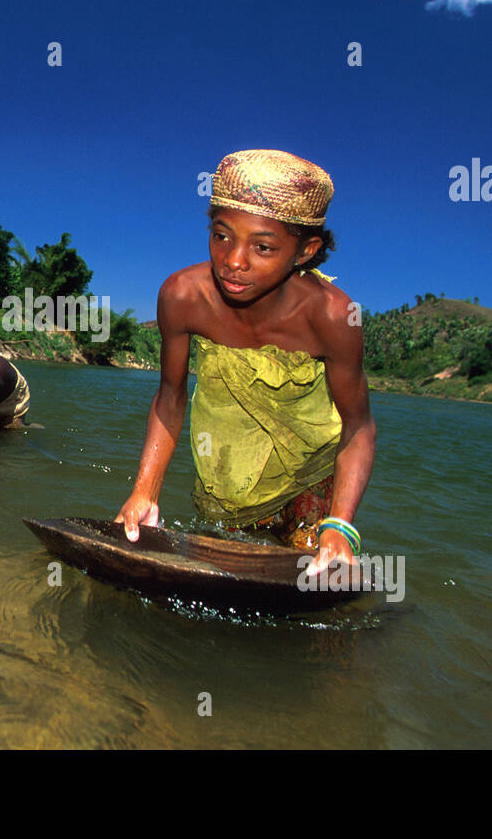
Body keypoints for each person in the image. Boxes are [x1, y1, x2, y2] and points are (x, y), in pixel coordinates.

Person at [113, 149, 376, 576]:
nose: (234, 260)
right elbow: (170, 397)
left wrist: (341, 525)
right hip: (225, 478)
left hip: (311, 477)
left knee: (310, 577)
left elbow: (359, 426)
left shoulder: (332, 317)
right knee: (215, 585)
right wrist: (145, 492)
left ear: (305, 250)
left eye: (263, 246)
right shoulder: (183, 296)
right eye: (221, 236)